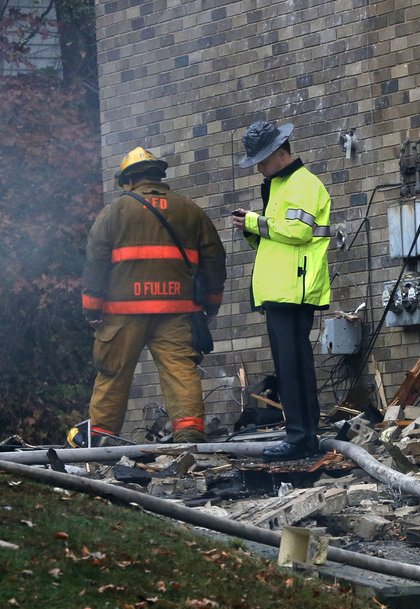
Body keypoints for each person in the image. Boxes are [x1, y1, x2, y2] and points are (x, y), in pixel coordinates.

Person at [76, 147, 227, 446]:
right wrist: (210, 304)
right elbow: (214, 260)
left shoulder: (114, 213)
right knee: (180, 370)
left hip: (123, 312)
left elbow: (95, 263)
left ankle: (102, 437)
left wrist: (92, 310)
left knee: (113, 373)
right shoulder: (190, 210)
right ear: (158, 176)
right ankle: (190, 434)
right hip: (177, 310)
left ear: (129, 181)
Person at [231, 120, 332, 462]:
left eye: (261, 160)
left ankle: (301, 438)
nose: (258, 167)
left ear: (278, 153)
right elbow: (279, 236)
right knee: (290, 367)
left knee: (294, 368)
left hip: (294, 290)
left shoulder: (303, 184)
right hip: (282, 290)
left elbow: (298, 232)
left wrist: (254, 222)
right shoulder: (279, 185)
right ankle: (301, 435)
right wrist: (253, 227)